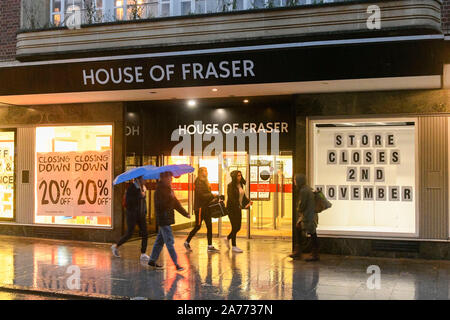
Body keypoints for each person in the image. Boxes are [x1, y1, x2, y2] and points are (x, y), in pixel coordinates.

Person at [148, 171, 190, 271]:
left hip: (166, 218)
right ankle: (176, 264)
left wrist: (185, 213)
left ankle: (152, 260)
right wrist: (169, 197)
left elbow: (176, 204)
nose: (171, 179)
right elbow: (160, 205)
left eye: (171, 177)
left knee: (159, 241)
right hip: (163, 219)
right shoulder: (159, 190)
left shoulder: (168, 189)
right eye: (169, 177)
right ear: (164, 178)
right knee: (169, 242)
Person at [111, 176, 149, 260]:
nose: (145, 180)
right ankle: (116, 246)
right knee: (129, 234)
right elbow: (129, 202)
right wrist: (140, 196)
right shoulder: (131, 188)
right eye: (144, 179)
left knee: (145, 233)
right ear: (138, 179)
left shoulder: (143, 188)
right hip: (132, 214)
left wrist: (144, 211)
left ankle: (143, 253)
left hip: (141, 214)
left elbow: (143, 202)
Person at [184, 167, 220, 252]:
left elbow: (207, 195)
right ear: (201, 172)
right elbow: (202, 195)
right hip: (200, 208)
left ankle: (210, 245)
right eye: (205, 171)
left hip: (206, 208)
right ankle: (187, 241)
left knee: (209, 226)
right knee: (198, 226)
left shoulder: (205, 182)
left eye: (207, 171)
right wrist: (212, 195)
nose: (206, 172)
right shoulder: (198, 182)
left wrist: (214, 197)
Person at [290, 174, 320, 262]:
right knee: (300, 228)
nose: (294, 182)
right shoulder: (308, 188)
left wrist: (298, 209)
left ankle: (314, 253)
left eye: (295, 180)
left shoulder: (303, 191)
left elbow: (302, 205)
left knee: (312, 233)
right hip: (310, 215)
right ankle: (299, 251)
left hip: (308, 216)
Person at [225, 170, 252, 253]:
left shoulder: (240, 185)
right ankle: (234, 246)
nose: (239, 177)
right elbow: (232, 198)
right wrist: (239, 206)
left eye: (240, 175)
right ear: (234, 177)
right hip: (231, 209)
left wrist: (247, 201)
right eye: (238, 176)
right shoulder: (230, 186)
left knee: (238, 227)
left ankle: (227, 238)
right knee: (234, 227)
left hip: (238, 208)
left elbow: (242, 196)